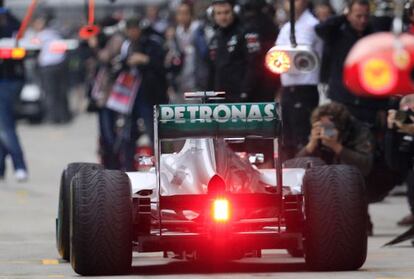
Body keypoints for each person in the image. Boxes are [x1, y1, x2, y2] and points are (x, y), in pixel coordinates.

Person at [314, 0, 389, 126]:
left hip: (367, 106)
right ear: (349, 15)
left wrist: (382, 106)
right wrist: (343, 17)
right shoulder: (337, 34)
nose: (362, 20)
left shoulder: (374, 38)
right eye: (358, 16)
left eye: (366, 16)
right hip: (340, 102)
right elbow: (320, 29)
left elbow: (381, 73)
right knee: (332, 139)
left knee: (366, 142)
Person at [275, 0, 323, 160]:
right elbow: (276, 57)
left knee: (302, 139)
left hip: (305, 88)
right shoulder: (287, 27)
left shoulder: (312, 25)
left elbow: (302, 60)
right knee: (286, 138)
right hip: (288, 89)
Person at [118, 17, 168, 171]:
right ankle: (128, 168)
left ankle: (162, 167)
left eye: (135, 29)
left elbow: (161, 65)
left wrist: (144, 60)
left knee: (153, 132)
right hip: (131, 96)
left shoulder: (152, 43)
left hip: (149, 94)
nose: (133, 32)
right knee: (128, 133)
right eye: (130, 29)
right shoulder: (126, 46)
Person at [297, 102, 374, 177]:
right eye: (321, 125)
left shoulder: (359, 131)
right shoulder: (318, 133)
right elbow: (296, 168)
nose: (325, 131)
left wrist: (337, 147)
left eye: (328, 127)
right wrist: (310, 146)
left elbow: (365, 168)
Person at [208, 0, 262, 102]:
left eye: (226, 12)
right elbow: (212, 71)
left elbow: (254, 65)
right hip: (220, 99)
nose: (223, 17)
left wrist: (245, 93)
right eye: (219, 13)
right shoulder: (214, 38)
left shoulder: (247, 32)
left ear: (235, 11)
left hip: (243, 99)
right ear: (213, 15)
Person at [0, 7, 28, 182]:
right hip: (9, 80)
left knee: (6, 127)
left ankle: (20, 166)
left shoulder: (12, 26)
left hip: (7, 81)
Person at [33, 13, 71, 124]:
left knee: (50, 93)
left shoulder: (40, 35)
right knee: (60, 91)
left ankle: (54, 117)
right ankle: (63, 116)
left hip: (48, 66)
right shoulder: (55, 33)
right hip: (60, 64)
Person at [385, 95, 414, 227]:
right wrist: (391, 132)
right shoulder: (403, 130)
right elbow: (395, 163)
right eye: (406, 113)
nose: (409, 117)